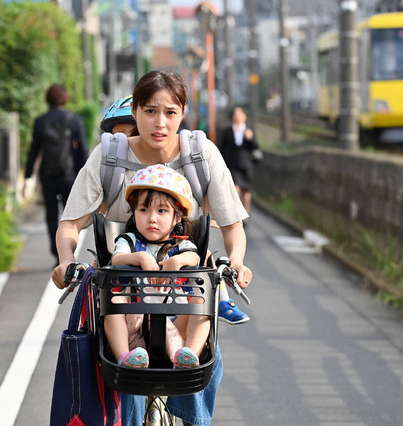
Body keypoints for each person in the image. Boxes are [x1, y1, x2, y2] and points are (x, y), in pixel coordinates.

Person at [51, 70, 253, 426]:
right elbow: (70, 223)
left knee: (206, 358)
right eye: (150, 111)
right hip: (124, 295)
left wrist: (236, 261)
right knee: (123, 371)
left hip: (186, 291)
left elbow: (232, 226)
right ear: (136, 111)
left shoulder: (201, 156)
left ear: (182, 113)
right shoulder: (109, 157)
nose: (160, 123)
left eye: (170, 112)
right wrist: (65, 260)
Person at [100, 95, 250, 326]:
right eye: (118, 138)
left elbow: (230, 227)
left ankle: (221, 301)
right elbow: (75, 222)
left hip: (178, 296)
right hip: (133, 304)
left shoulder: (186, 159)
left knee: (204, 289)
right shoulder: (109, 162)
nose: (126, 143)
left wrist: (235, 262)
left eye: (131, 135)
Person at [107, 165, 209, 370]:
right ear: (134, 213)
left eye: (162, 211)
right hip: (136, 327)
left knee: (201, 301)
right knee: (113, 300)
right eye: (143, 210)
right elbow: (116, 259)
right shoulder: (129, 241)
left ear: (177, 217)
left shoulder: (181, 245)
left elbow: (194, 257)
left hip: (176, 322)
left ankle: (189, 356)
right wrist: (140, 257)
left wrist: (178, 261)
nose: (152, 218)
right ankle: (124, 357)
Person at [22, 83, 87, 260]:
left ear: (48, 99)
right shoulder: (73, 119)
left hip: (48, 175)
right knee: (70, 217)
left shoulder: (40, 121)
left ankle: (57, 253)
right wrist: (84, 175)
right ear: (65, 99)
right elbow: (82, 149)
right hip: (69, 175)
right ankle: (69, 253)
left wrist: (27, 176)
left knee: (51, 216)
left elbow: (34, 150)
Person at [218, 106, 260, 217]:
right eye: (235, 114)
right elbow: (221, 148)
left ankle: (245, 216)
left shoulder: (249, 131)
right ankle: (237, 215)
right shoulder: (227, 131)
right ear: (232, 116)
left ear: (245, 116)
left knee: (246, 192)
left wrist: (250, 138)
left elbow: (256, 147)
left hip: (246, 165)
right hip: (232, 165)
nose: (238, 116)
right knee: (235, 190)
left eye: (240, 113)